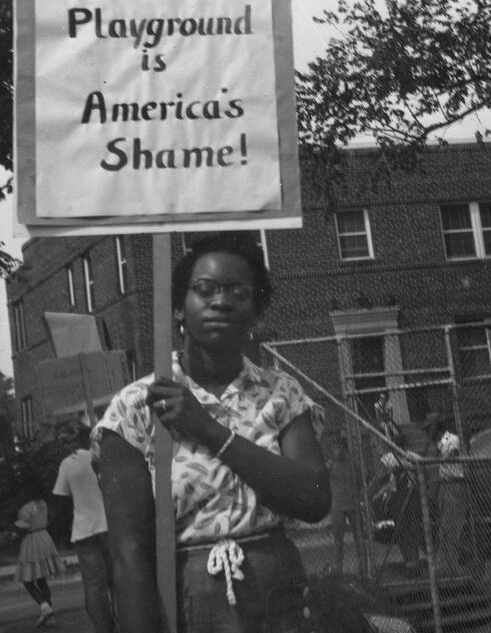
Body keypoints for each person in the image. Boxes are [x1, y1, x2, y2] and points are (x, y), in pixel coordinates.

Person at [96, 233, 330, 633]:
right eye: (204, 290)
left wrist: (205, 428)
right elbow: (130, 554)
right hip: (187, 603)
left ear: (256, 311)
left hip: (280, 599)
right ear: (179, 309)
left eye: (238, 292)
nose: (220, 302)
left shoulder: (281, 393)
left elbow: (313, 499)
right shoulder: (135, 407)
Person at [53, 423, 116, 633]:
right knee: (118, 580)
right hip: (110, 526)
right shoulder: (100, 457)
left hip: (84, 531)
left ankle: (104, 629)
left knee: (94, 587)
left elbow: (61, 500)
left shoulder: (67, 464)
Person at [370, 432, 424, 577]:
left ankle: (415, 563)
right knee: (401, 530)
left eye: (400, 445)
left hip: (412, 495)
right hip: (397, 496)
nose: (398, 448)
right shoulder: (388, 459)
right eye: (395, 445)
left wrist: (412, 470)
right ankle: (409, 563)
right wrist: (390, 473)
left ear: (404, 446)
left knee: (413, 528)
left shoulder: (413, 457)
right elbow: (379, 479)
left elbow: (424, 473)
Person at [421, 411, 468, 578]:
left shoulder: (451, 440)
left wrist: (436, 456)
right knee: (444, 530)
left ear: (436, 427)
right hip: (445, 486)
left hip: (455, 485)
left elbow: (452, 453)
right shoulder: (438, 443)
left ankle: (447, 569)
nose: (427, 433)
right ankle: (449, 569)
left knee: (450, 529)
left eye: (429, 429)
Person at [13, 495, 64, 628]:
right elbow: (48, 519)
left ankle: (44, 606)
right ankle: (49, 617)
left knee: (28, 580)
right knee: (42, 579)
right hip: (45, 538)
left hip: (32, 540)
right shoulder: (43, 504)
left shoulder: (26, 508)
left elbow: (23, 526)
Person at [327, 435, 365, 574]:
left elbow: (361, 482)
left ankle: (364, 568)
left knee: (359, 538)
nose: (339, 451)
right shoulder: (330, 466)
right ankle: (338, 569)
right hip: (337, 506)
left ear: (346, 449)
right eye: (336, 448)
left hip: (353, 504)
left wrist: (359, 497)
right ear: (332, 450)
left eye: (341, 448)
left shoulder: (353, 464)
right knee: (338, 541)